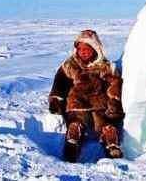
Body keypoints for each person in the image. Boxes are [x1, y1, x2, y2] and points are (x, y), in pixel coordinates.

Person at [48, 29, 125, 162]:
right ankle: (72, 143)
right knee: (76, 123)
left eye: (87, 48)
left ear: (96, 49)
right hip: (77, 104)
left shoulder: (105, 67)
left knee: (107, 125)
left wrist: (114, 103)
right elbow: (60, 84)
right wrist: (56, 99)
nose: (83, 51)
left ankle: (112, 145)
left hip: (99, 106)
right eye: (80, 48)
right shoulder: (70, 65)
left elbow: (114, 86)